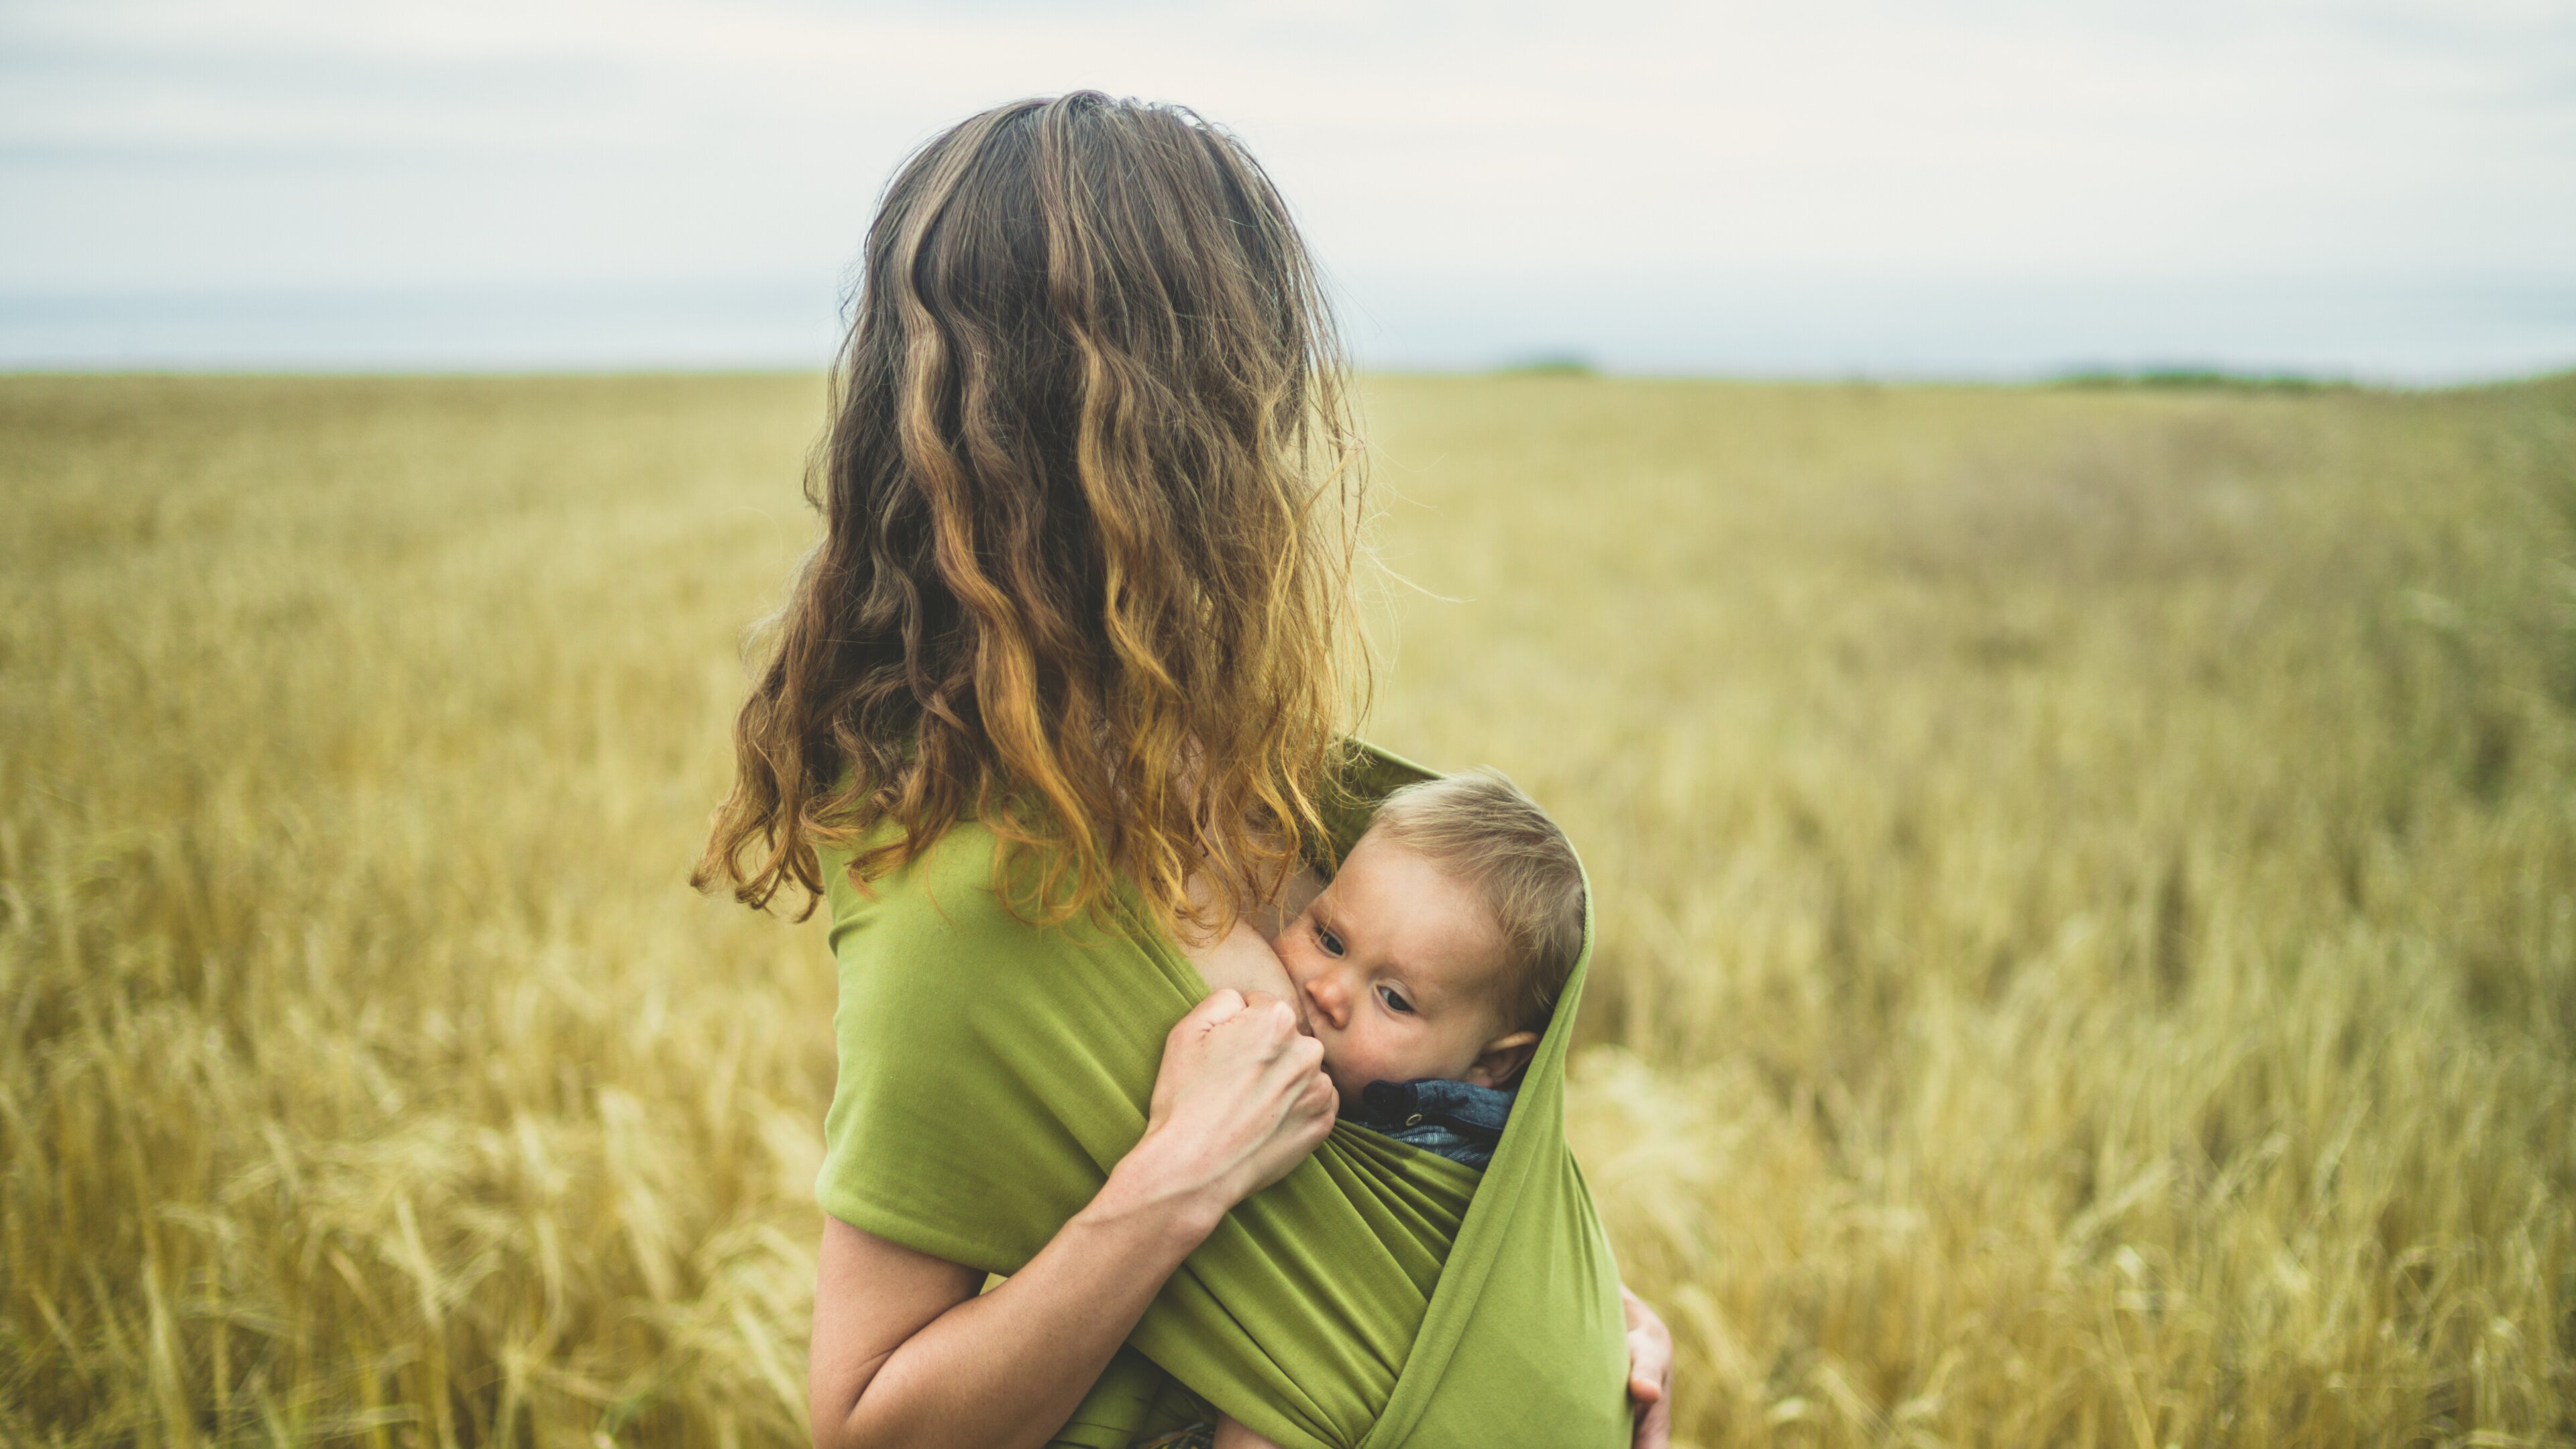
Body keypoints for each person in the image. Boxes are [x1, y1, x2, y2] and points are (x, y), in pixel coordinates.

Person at [694, 91, 1674, 1449]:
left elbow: (1415, 1167)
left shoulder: (1270, 780)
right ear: (1176, 429)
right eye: (1258, 384)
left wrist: (1556, 1316)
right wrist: (1175, 1182)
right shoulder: (964, 901)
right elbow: (869, 1426)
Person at [1179, 769, 1588, 1449]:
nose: (1327, 990)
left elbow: (1313, 1348)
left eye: (1394, 998)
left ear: (1491, 1067)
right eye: (1329, 938)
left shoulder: (1430, 1168)